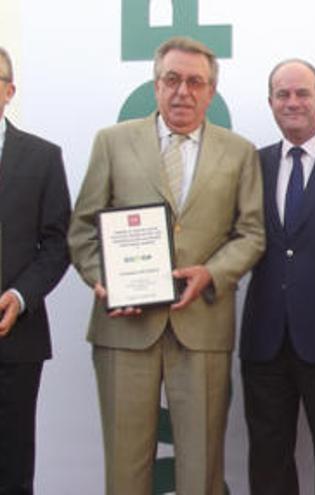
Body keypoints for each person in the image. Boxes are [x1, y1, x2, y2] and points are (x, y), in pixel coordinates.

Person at [67, 36, 265, 494]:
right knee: (125, 468)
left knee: (201, 469)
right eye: (172, 79)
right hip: (124, 326)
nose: (183, 92)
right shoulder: (112, 142)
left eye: (195, 82)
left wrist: (211, 274)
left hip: (202, 324)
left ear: (211, 92)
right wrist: (105, 282)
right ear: (155, 85)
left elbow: (251, 233)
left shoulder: (239, 151)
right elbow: (82, 229)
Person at [239, 58, 315, 495]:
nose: (293, 102)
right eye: (282, 94)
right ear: (270, 102)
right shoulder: (254, 163)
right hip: (264, 337)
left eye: (302, 93)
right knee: (268, 457)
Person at [0, 47, 71, 495]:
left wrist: (20, 296)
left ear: (9, 90)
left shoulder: (42, 157)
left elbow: (58, 241)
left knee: (12, 468)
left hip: (15, 338)